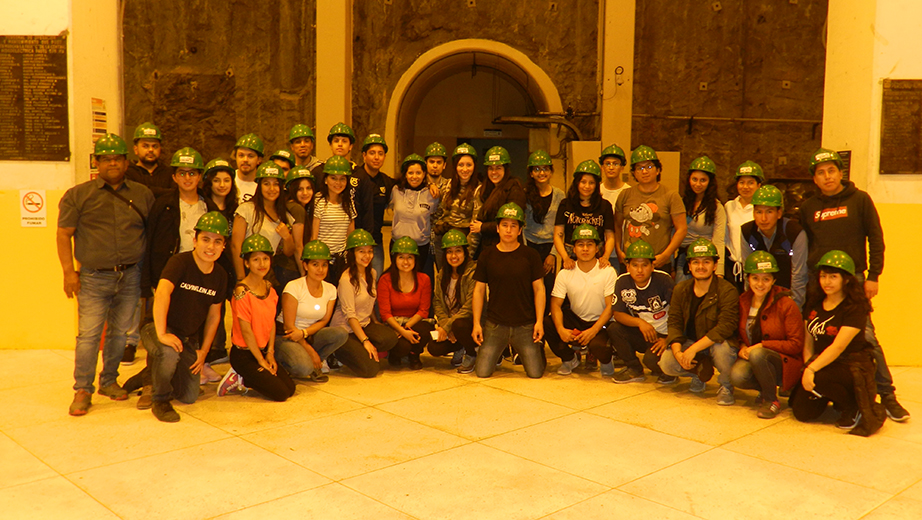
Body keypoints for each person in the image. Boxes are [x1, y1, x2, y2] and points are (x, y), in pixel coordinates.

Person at [798, 148, 909, 422]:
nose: (827, 177)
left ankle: (888, 396)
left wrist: (874, 276)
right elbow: (804, 246)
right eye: (821, 173)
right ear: (814, 178)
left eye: (831, 171)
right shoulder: (808, 207)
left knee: (867, 337)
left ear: (840, 173)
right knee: (816, 331)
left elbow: (876, 238)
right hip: (819, 280)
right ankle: (828, 385)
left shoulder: (860, 200)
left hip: (854, 280)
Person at [58, 133, 155, 416]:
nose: (112, 163)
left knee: (119, 333)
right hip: (93, 277)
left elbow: (150, 233)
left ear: (127, 162)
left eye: (117, 158)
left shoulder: (142, 194)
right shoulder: (78, 195)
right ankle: (82, 388)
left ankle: (109, 381)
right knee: (88, 335)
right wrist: (68, 273)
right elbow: (64, 234)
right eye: (106, 158)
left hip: (131, 275)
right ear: (97, 163)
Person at [142, 212, 228, 422]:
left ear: (224, 246)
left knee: (189, 396)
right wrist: (162, 333)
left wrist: (204, 351)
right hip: (156, 327)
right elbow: (162, 293)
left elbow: (214, 316)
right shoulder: (179, 262)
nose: (211, 247)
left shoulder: (220, 275)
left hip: (186, 338)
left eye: (217, 242)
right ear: (194, 240)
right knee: (168, 352)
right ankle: (160, 400)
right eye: (205, 239)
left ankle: (147, 375)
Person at [790, 250, 887, 436]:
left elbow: (838, 347)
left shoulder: (855, 307)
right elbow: (808, 339)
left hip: (851, 365)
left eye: (833, 277)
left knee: (817, 378)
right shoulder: (814, 302)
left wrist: (811, 370)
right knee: (802, 412)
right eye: (823, 276)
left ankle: (853, 406)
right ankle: (833, 397)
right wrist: (807, 365)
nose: (827, 282)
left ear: (847, 279)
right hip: (824, 363)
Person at [144, 147, 220, 382]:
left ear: (200, 177)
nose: (187, 178)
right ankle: (151, 380)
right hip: (171, 273)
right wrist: (153, 280)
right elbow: (152, 242)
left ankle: (199, 363)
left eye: (193, 173)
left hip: (201, 271)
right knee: (165, 323)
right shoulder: (163, 204)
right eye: (182, 173)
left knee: (195, 321)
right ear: (174, 177)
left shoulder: (209, 206)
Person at [659, 238, 739, 405]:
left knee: (721, 350)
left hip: (717, 343)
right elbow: (674, 322)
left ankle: (726, 386)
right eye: (696, 262)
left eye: (706, 262)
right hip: (691, 342)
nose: (700, 267)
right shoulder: (681, 289)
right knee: (667, 363)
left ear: (715, 265)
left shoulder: (727, 290)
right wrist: (678, 352)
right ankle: (699, 373)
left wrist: (693, 349)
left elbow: (725, 327)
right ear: (689, 266)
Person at [218, 234, 296, 402]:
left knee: (290, 388)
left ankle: (248, 378)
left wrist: (270, 354)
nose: (262, 264)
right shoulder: (241, 292)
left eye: (265, 259)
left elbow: (271, 324)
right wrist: (261, 361)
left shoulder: (270, 289)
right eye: (256, 260)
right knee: (280, 394)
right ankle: (240, 377)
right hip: (244, 354)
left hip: (262, 350)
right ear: (246, 263)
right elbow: (246, 331)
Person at [472, 203, 546, 378]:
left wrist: (539, 321)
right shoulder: (487, 255)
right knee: (482, 372)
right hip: (496, 324)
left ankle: (532, 350)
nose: (508, 230)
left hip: (525, 325)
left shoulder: (530, 255)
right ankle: (501, 352)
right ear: (497, 228)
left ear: (520, 230)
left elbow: (539, 290)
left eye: (514, 226)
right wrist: (476, 323)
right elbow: (479, 291)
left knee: (536, 373)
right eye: (504, 225)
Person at [729, 251, 805, 419]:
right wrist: (742, 347)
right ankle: (765, 389)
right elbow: (739, 334)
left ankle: (771, 401)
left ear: (774, 280)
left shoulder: (786, 303)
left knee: (757, 354)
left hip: (784, 360)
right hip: (755, 357)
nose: (760, 284)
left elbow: (796, 344)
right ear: (748, 279)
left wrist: (762, 345)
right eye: (755, 278)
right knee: (737, 375)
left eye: (766, 279)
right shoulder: (743, 301)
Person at [544, 224, 616, 375]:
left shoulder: (608, 271)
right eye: (580, 245)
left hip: (600, 322)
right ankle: (570, 358)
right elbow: (555, 305)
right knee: (548, 323)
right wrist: (561, 330)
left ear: (597, 248)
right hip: (577, 319)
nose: (585, 249)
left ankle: (601, 357)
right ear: (574, 249)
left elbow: (610, 307)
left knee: (600, 346)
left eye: (589, 245)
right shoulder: (565, 273)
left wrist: (593, 330)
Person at [329, 230, 398, 378]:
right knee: (371, 370)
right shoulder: (346, 280)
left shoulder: (371, 273)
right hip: (345, 329)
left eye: (370, 251)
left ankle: (358, 346)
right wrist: (366, 341)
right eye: (361, 251)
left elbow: (369, 300)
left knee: (390, 338)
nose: (367, 256)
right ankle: (336, 351)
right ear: (352, 253)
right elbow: (350, 316)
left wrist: (375, 321)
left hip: (364, 324)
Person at [275, 240, 347, 380]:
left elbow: (325, 320)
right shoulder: (293, 287)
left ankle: (315, 361)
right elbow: (288, 326)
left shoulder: (331, 289)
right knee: (303, 369)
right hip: (286, 336)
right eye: (315, 264)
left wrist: (305, 333)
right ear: (305, 265)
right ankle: (291, 360)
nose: (320, 269)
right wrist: (309, 349)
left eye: (324, 265)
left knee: (341, 334)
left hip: (309, 334)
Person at [607, 240, 676, 384]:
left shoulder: (664, 281)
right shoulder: (622, 282)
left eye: (644, 265)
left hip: (664, 334)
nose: (639, 270)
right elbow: (617, 314)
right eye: (635, 265)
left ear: (652, 266)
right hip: (643, 332)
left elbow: (680, 313)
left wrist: (669, 338)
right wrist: (640, 322)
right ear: (627, 267)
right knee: (614, 328)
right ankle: (634, 369)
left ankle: (669, 370)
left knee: (651, 361)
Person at [231, 163, 301, 297]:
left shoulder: (284, 215)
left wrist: (287, 237)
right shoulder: (246, 210)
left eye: (276, 184)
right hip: (248, 272)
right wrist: (240, 279)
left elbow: (289, 252)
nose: (272, 188)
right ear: (259, 185)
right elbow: (235, 245)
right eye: (266, 184)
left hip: (270, 274)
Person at [614, 145, 687, 274]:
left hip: (658, 261)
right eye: (639, 168)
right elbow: (617, 225)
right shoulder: (625, 195)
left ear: (658, 170)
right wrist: (619, 251)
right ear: (634, 173)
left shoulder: (671, 196)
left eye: (649, 167)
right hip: (631, 262)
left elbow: (681, 229)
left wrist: (666, 255)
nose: (644, 171)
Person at [741, 185, 807, 308]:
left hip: (787, 295)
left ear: (779, 213)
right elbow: (747, 274)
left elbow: (799, 276)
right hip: (760, 294)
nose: (763, 218)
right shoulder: (747, 232)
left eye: (769, 212)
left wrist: (794, 309)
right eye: (759, 212)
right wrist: (750, 307)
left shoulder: (794, 233)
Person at [201, 157, 239, 367]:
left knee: (236, 306)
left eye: (226, 180)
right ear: (209, 182)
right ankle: (215, 347)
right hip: (210, 263)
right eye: (217, 180)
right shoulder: (202, 206)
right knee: (212, 307)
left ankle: (238, 345)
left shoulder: (236, 207)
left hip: (230, 264)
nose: (222, 185)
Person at [377, 237, 434, 370]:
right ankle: (396, 354)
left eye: (410, 257)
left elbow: (423, 310)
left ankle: (414, 355)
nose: (406, 261)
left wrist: (406, 328)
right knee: (402, 346)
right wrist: (400, 330)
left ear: (415, 259)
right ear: (394, 259)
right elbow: (385, 313)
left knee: (425, 330)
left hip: (414, 323)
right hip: (393, 324)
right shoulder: (385, 279)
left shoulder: (424, 279)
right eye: (401, 257)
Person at [428, 230, 479, 372]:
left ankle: (472, 353)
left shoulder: (473, 272)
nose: (454, 256)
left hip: (469, 324)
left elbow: (469, 308)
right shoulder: (442, 274)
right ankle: (461, 346)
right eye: (449, 252)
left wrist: (448, 327)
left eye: (458, 251)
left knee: (459, 324)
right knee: (434, 347)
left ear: (465, 252)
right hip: (452, 325)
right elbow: (437, 303)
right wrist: (446, 327)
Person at [554, 160, 615, 270]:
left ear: (597, 185)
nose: (587, 186)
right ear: (577, 183)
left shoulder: (605, 206)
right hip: (571, 259)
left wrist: (605, 257)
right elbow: (558, 235)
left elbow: (610, 236)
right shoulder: (565, 204)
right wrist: (565, 258)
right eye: (583, 182)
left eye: (591, 183)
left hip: (597, 259)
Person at [523, 150, 564, 308]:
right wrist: (525, 253)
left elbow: (561, 228)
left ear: (551, 171)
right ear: (531, 173)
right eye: (537, 169)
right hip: (528, 246)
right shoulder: (524, 194)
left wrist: (553, 254)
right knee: (528, 290)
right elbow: (522, 226)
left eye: (545, 168)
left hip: (549, 248)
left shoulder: (560, 195)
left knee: (547, 290)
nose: (542, 173)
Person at [431, 143, 482, 269]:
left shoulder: (479, 190)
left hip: (463, 244)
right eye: (461, 165)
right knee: (444, 278)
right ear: (455, 166)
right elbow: (438, 212)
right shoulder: (447, 186)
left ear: (474, 167)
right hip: (442, 241)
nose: (465, 169)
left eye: (468, 165)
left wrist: (466, 256)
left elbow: (475, 230)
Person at [676, 156, 726, 282]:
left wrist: (719, 271)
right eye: (694, 179)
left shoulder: (717, 207)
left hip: (706, 259)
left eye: (703, 180)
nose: (698, 184)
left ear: (710, 182)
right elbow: (673, 233)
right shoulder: (680, 203)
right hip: (684, 258)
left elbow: (719, 240)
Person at [470, 146, 526, 256]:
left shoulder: (514, 189)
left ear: (506, 169)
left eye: (498, 168)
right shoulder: (485, 189)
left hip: (508, 248)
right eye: (491, 168)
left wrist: (482, 227)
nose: (494, 172)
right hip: (488, 247)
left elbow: (512, 222)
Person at [352, 133, 394, 278]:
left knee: (375, 281)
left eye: (380, 154)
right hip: (353, 241)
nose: (376, 157)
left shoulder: (386, 182)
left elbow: (408, 185)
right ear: (364, 155)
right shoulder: (354, 178)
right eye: (372, 153)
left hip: (375, 242)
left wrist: (430, 184)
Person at [390, 154, 439, 274]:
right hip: (397, 244)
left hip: (420, 246)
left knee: (417, 280)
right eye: (410, 173)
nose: (414, 177)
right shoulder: (396, 190)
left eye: (418, 173)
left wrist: (431, 185)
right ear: (405, 174)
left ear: (424, 175)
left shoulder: (432, 194)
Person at [312, 156, 357, 282]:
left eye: (342, 179)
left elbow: (351, 234)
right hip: (323, 260)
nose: (338, 183)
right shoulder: (319, 201)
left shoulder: (348, 202)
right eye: (333, 178)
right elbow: (314, 236)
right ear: (325, 180)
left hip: (342, 261)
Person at [724, 160, 764, 292]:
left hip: (757, 268)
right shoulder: (729, 206)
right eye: (742, 182)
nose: (745, 187)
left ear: (759, 185)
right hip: (732, 267)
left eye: (750, 183)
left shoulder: (763, 210)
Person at [599, 144, 631, 272]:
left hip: (623, 253)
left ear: (622, 167)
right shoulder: (596, 191)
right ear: (602, 167)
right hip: (600, 253)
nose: (611, 167)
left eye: (615, 164)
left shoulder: (629, 192)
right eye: (607, 163)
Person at [126, 122, 172, 198]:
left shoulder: (170, 173)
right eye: (145, 146)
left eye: (155, 146)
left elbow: (176, 195)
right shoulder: (128, 174)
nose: (151, 150)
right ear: (136, 149)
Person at [286, 165, 316, 274]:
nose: (305, 193)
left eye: (308, 188)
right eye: (300, 189)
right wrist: (305, 274)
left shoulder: (290, 205)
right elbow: (298, 246)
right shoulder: (297, 209)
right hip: (292, 268)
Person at [232, 133, 264, 203]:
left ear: (259, 160)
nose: (245, 160)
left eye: (250, 156)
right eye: (241, 155)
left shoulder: (264, 185)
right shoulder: (228, 180)